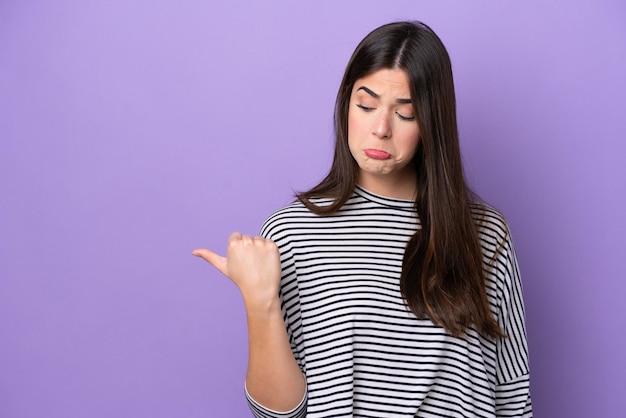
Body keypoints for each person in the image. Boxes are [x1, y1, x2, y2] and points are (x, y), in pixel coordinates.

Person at [193, 21, 532, 418]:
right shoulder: (290, 233)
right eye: (366, 105)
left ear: (432, 123)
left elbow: (512, 395)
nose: (381, 129)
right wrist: (259, 302)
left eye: (406, 114)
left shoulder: (485, 234)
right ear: (345, 106)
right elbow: (279, 414)